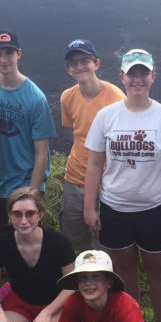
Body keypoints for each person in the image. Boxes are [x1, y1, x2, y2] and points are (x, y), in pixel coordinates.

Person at [84, 48, 161, 322]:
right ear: (122, 77)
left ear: (153, 77)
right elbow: (94, 164)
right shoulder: (107, 116)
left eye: (144, 73)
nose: (138, 79)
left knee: (158, 270)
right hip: (115, 207)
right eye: (132, 73)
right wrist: (90, 207)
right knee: (125, 269)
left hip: (154, 209)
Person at [0, 30, 56, 234]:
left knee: (31, 247)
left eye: (9, 52)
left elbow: (41, 153)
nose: (4, 59)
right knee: (4, 246)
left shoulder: (36, 98)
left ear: (19, 54)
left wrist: (33, 195)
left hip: (25, 186)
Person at [0, 187, 75, 322]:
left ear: (41, 214)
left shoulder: (58, 242)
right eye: (17, 214)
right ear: (10, 216)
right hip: (21, 302)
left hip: (54, 302)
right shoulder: (1, 244)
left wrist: (48, 312)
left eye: (30, 213)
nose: (24, 221)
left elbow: (71, 286)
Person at [59, 39, 125, 252]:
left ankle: (104, 284)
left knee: (103, 244)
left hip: (106, 183)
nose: (80, 67)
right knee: (73, 239)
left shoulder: (116, 98)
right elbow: (76, 132)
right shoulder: (67, 97)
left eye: (84, 60)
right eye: (74, 63)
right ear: (68, 69)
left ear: (97, 63)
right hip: (75, 179)